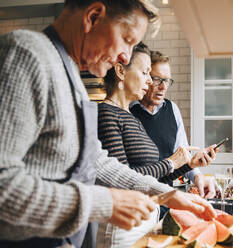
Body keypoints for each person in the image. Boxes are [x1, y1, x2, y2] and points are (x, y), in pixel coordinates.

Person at [0, 1, 215, 247]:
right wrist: (104, 202)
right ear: (93, 17)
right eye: (126, 39)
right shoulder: (27, 54)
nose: (124, 56)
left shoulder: (70, 75)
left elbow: (96, 163)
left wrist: (167, 194)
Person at [96, 42, 216, 247]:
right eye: (145, 73)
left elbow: (152, 177)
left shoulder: (129, 117)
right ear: (120, 71)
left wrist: (188, 166)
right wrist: (170, 162)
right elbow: (123, 179)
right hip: (123, 229)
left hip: (144, 220)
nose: (150, 81)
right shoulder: (107, 114)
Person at [130, 50, 217, 198]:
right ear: (146, 78)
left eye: (167, 80)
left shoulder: (172, 110)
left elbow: (183, 157)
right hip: (137, 205)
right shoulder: (129, 111)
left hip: (167, 201)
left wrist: (197, 176)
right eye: (157, 79)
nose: (163, 87)